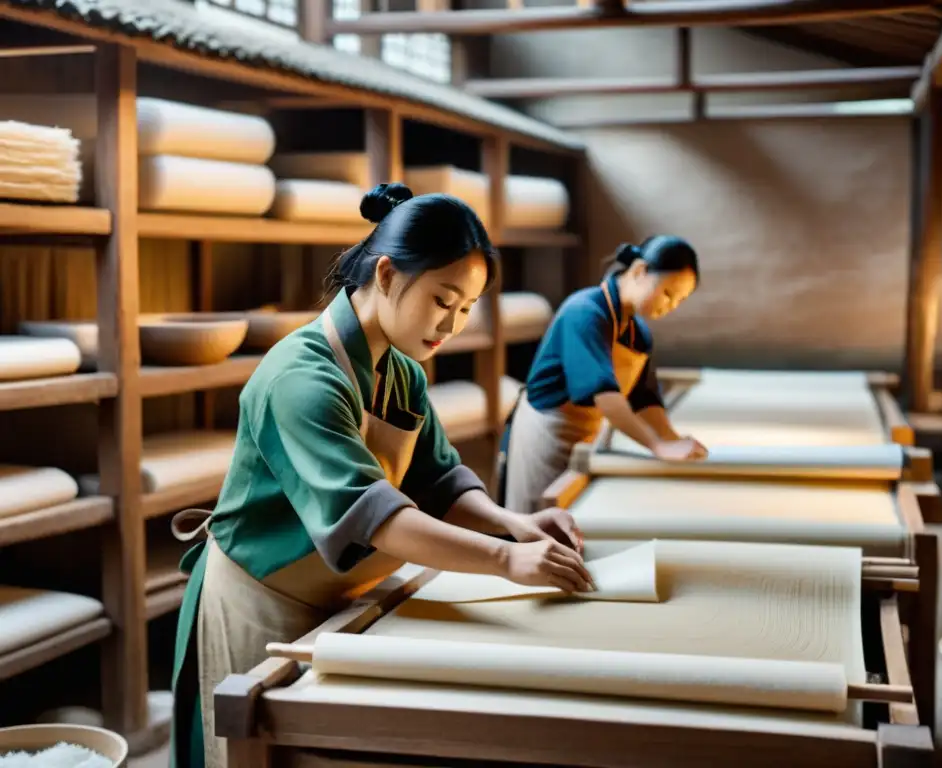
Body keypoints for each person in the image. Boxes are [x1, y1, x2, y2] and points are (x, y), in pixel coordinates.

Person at [169, 183, 595, 768]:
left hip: (343, 599)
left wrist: (513, 525)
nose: (452, 325)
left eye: (466, 309)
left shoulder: (401, 371)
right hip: (258, 603)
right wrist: (504, 560)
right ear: (389, 275)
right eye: (443, 301)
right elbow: (375, 515)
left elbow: (439, 482)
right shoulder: (301, 377)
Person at [498, 235, 709, 514]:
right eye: (669, 294)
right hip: (546, 435)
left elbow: (643, 398)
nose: (671, 306)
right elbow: (605, 396)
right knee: (537, 522)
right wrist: (657, 446)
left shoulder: (637, 332)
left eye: (679, 301)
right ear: (639, 271)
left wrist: (673, 439)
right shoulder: (584, 313)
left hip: (586, 439)